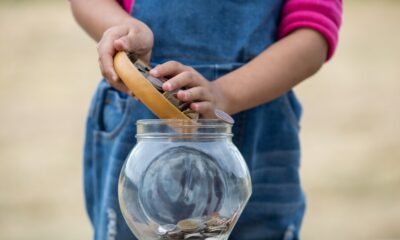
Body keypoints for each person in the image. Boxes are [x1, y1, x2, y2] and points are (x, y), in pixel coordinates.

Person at [69, 0, 342, 239]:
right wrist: (125, 30)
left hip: (259, 121)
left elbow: (314, 29)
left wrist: (224, 94)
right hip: (140, 124)